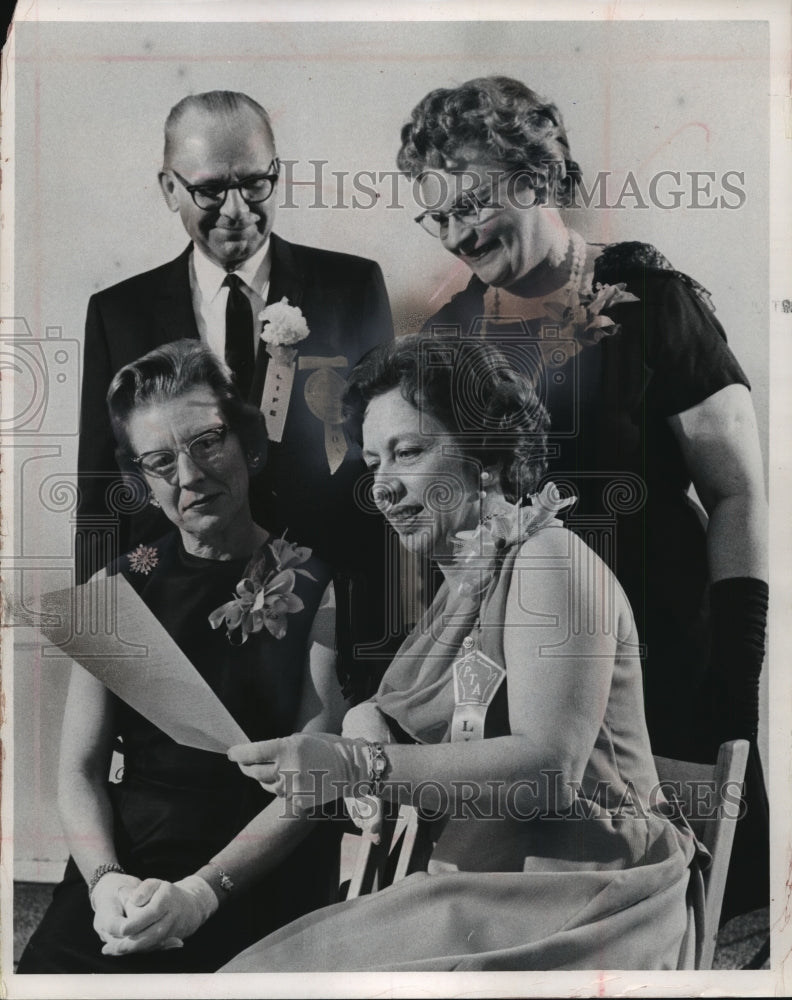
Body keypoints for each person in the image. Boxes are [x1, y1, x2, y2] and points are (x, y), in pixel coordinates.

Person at [395, 76, 768, 920]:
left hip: (669, 653)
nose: (456, 233)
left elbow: (737, 494)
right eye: (438, 217)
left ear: (534, 173)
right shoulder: (448, 338)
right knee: (535, 904)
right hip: (524, 668)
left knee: (694, 902)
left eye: (470, 204)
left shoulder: (654, 301)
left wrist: (737, 681)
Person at [220, 335, 700, 972]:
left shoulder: (547, 560)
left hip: (584, 889)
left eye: (409, 453)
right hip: (485, 881)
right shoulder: (462, 590)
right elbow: (361, 748)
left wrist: (365, 764)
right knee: (257, 976)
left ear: (488, 456)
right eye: (373, 464)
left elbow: (547, 769)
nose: (381, 489)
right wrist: (201, 889)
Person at [18, 341, 347, 973]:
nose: (191, 476)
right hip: (126, 860)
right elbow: (79, 771)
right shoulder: (112, 589)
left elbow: (313, 782)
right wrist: (105, 882)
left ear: (248, 444)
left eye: (206, 442)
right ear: (140, 479)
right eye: (161, 461)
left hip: (257, 865)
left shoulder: (316, 585)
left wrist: (200, 894)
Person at [76, 89, 396, 697]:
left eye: (255, 184)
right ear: (169, 188)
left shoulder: (352, 285)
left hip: (325, 629)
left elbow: (377, 477)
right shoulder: (117, 313)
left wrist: (379, 639)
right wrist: (108, 662)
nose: (235, 210)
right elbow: (102, 497)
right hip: (177, 627)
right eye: (208, 189)